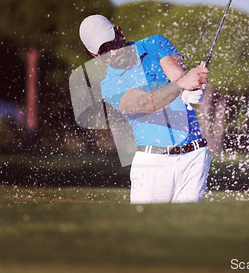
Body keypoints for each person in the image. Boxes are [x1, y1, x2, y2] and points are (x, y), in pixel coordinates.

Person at [79, 14, 210, 204]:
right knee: (146, 230)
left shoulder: (155, 44)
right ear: (95, 56)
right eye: (105, 52)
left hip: (195, 157)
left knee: (187, 229)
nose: (114, 53)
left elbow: (178, 76)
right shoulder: (109, 86)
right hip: (153, 164)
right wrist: (183, 85)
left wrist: (193, 86)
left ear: (119, 31)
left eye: (113, 44)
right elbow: (145, 103)